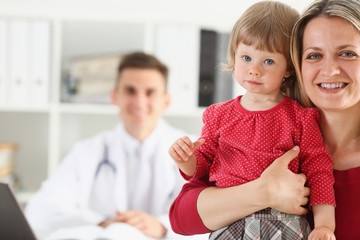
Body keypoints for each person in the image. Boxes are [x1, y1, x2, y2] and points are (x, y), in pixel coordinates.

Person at [169, 0, 360, 239]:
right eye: (314, 55)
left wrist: (324, 226)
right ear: (298, 63)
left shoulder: (299, 125)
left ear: (286, 67)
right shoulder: (234, 126)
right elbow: (180, 217)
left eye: (348, 53)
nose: (330, 69)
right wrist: (264, 192)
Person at [25, 52, 206, 240]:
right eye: (130, 91)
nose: (139, 102)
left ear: (166, 101)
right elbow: (41, 211)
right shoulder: (87, 151)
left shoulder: (193, 151)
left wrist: (162, 226)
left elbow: (213, 215)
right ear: (114, 96)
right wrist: (104, 223)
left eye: (150, 92)